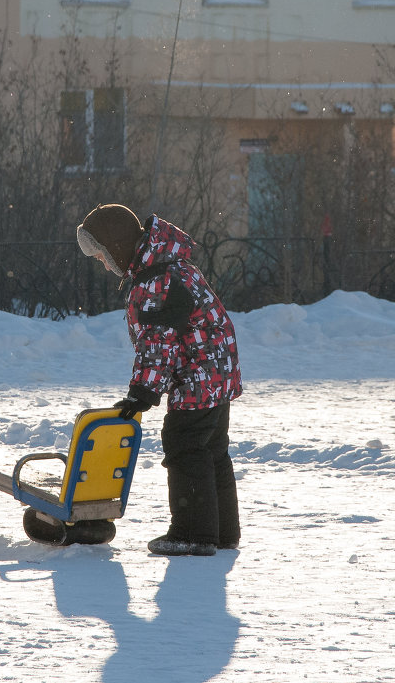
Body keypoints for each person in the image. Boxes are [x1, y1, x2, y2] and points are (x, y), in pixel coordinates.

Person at [76, 203, 242, 557]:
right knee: (212, 450)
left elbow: (158, 342)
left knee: (184, 446)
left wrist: (142, 393)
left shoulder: (156, 282)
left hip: (199, 375)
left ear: (118, 248)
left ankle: (194, 533)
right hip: (217, 370)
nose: (104, 264)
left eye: (104, 255)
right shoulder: (173, 266)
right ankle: (222, 531)